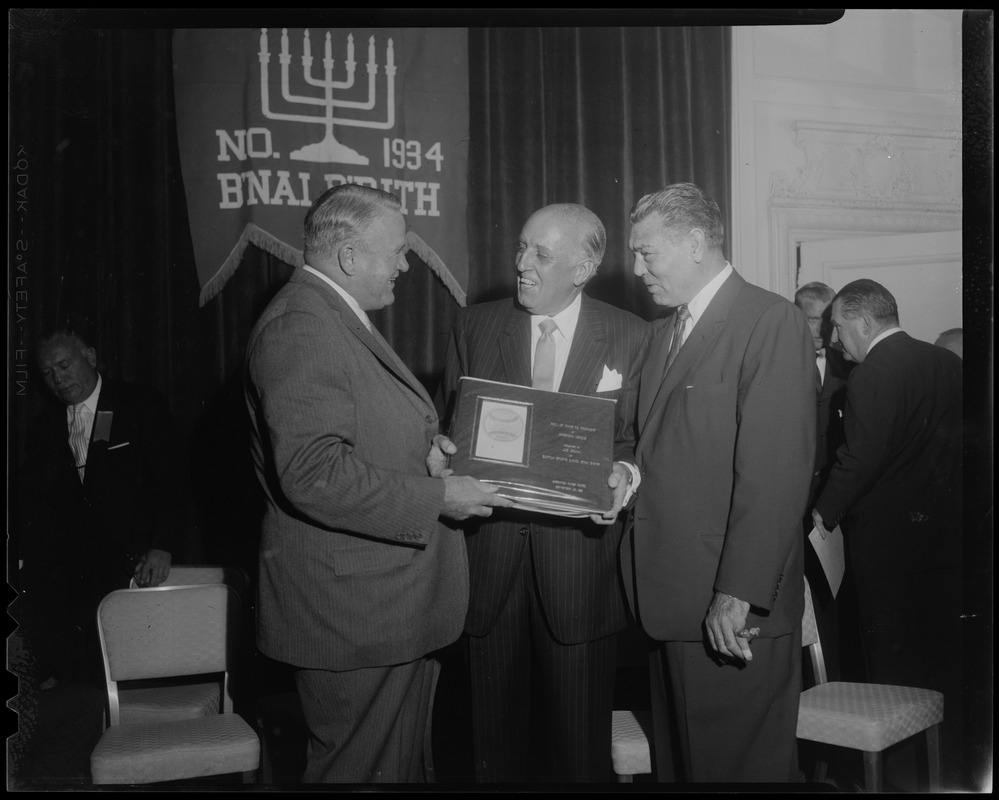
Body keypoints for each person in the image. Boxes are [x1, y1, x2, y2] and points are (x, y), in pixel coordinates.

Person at [244, 183, 509, 784]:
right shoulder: (302, 327)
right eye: (397, 250)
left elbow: (356, 437)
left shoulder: (330, 316)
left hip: (382, 608)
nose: (406, 263)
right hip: (355, 615)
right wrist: (441, 497)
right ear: (349, 258)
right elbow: (313, 473)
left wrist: (426, 457)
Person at [436, 203, 651, 783]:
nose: (521, 265)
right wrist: (441, 454)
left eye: (541, 254)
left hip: (581, 574)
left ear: (583, 269)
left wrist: (621, 482)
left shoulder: (633, 335)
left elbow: (636, 441)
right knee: (492, 754)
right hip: (490, 563)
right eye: (521, 248)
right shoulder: (474, 325)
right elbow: (447, 428)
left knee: (580, 757)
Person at [622, 183, 815, 783]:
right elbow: (647, 446)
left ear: (698, 243)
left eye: (647, 253)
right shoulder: (660, 334)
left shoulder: (769, 320)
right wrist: (620, 474)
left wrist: (737, 592)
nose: (636, 269)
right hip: (669, 599)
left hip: (730, 611)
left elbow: (776, 473)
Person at [812, 279, 964, 782]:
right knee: (946, 666)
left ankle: (899, 779)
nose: (835, 342)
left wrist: (821, 514)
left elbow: (860, 461)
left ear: (861, 321)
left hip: (887, 552)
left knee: (893, 677)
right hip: (949, 545)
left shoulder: (871, 375)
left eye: (837, 328)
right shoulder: (948, 363)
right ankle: (949, 771)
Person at [16, 318, 187, 690]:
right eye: (48, 373)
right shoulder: (43, 429)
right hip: (79, 578)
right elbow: (37, 504)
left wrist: (164, 545)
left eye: (64, 366)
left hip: (139, 564)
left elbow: (173, 483)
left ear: (90, 357)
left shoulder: (140, 404)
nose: (57, 379)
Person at [793, 281, 858, 683]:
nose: (817, 327)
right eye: (810, 316)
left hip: (836, 504)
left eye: (823, 318)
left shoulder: (849, 363)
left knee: (837, 601)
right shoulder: (779, 357)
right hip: (795, 501)